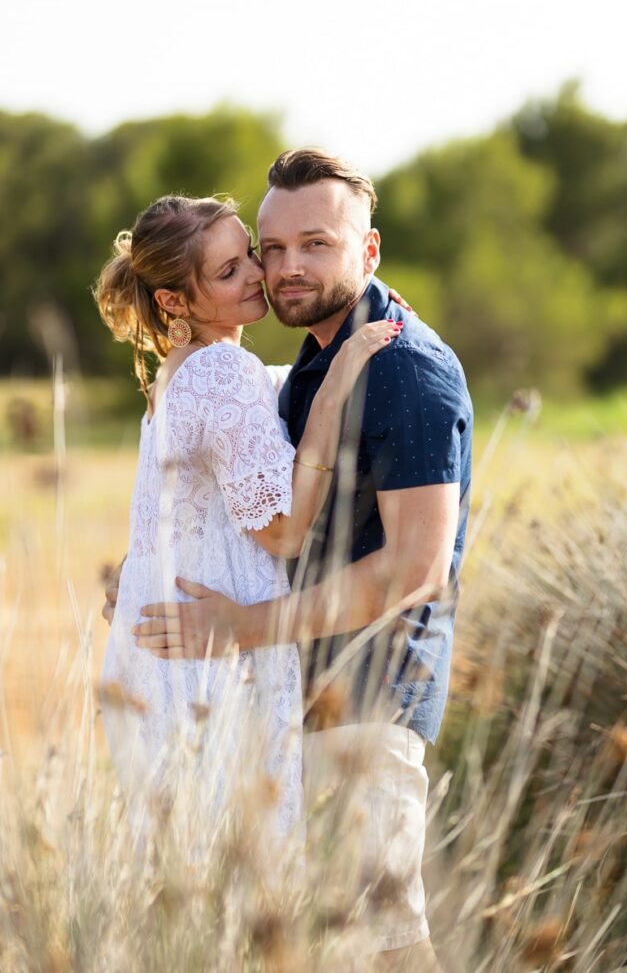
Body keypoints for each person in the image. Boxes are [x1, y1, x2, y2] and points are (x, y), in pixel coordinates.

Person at [122, 152, 473, 970]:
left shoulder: (407, 371)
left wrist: (244, 626)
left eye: (314, 244)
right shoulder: (310, 359)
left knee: (391, 944)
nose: (282, 269)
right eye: (268, 249)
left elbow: (415, 568)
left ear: (370, 251)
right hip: (289, 702)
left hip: (366, 696)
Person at [93, 193, 401, 852]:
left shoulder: (176, 374)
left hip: (161, 650)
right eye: (229, 271)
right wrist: (338, 379)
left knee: (187, 870)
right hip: (211, 656)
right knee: (244, 866)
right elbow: (285, 532)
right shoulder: (224, 371)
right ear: (177, 302)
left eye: (249, 256)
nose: (259, 275)